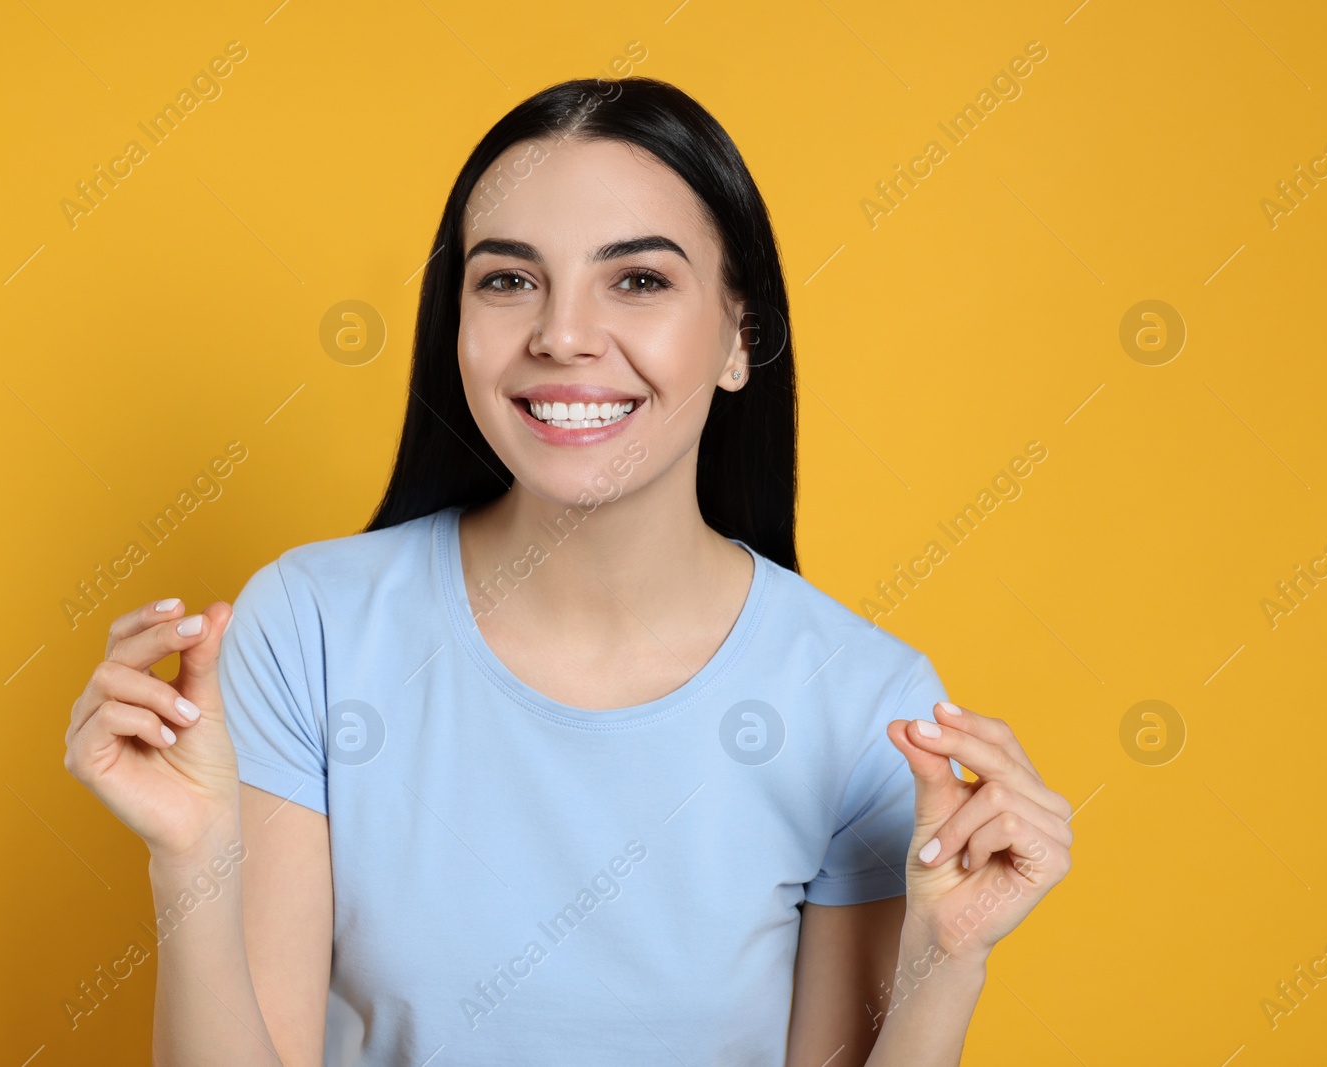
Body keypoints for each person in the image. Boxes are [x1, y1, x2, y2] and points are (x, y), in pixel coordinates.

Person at [64, 76, 1073, 1067]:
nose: (561, 334)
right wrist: (191, 860)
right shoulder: (308, 627)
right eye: (508, 278)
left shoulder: (863, 703)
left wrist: (946, 958)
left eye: (638, 279)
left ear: (739, 337)